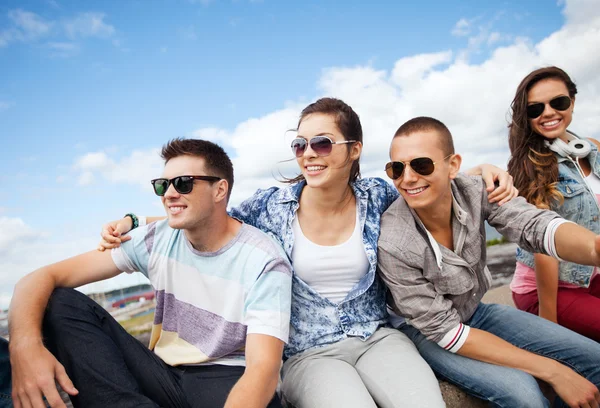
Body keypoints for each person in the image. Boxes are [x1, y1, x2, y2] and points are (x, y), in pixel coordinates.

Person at [100, 98, 517, 408]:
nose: (309, 154)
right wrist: (137, 221)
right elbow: (207, 213)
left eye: (321, 143)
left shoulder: (377, 194)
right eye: (300, 145)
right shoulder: (269, 207)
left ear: (354, 149)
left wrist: (480, 169)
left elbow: (428, 181)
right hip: (307, 354)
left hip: (377, 339)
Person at [8, 139, 292, 408]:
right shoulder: (156, 238)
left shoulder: (264, 258)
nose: (169, 194)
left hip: (226, 378)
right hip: (162, 372)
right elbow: (39, 278)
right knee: (60, 303)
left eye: (183, 183)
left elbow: (262, 369)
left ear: (219, 190)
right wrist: (23, 349)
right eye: (162, 185)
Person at [378, 116, 600, 408]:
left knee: (593, 359)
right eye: (396, 168)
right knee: (525, 396)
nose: (407, 178)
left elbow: (533, 226)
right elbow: (445, 332)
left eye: (421, 165)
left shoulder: (474, 191)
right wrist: (553, 370)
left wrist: (594, 248)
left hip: (476, 311)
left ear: (453, 165)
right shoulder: (394, 242)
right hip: (428, 334)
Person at [507, 66, 600, 342]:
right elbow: (543, 245)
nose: (548, 113)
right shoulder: (531, 167)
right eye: (536, 108)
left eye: (557, 102)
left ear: (572, 101)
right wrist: (550, 325)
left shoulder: (593, 150)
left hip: (591, 278)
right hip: (547, 291)